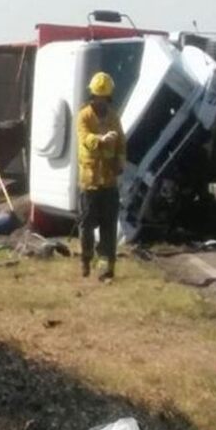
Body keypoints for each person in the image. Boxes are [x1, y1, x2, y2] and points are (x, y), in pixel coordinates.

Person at [77, 71, 126, 281]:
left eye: (103, 97)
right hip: (90, 183)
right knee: (86, 226)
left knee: (108, 226)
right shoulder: (84, 116)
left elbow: (122, 142)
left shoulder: (114, 117)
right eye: (97, 96)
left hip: (109, 181)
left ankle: (106, 269)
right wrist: (101, 139)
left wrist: (120, 161)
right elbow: (85, 138)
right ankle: (86, 258)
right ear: (92, 96)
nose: (100, 101)